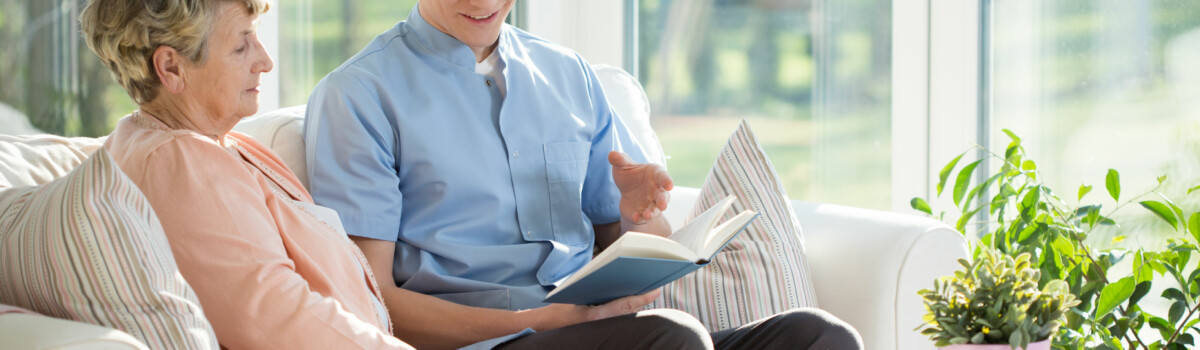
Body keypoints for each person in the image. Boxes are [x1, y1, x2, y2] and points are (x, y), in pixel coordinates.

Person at [305, 0, 865, 349]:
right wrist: (540, 320)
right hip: (488, 341)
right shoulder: (358, 96)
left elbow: (622, 249)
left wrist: (638, 218)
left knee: (820, 336)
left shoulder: (567, 74)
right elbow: (372, 304)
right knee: (670, 339)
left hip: (607, 332)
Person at [80, 0, 414, 348]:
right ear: (171, 68)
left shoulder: (195, 144)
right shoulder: (180, 163)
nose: (266, 62)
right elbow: (276, 319)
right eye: (241, 46)